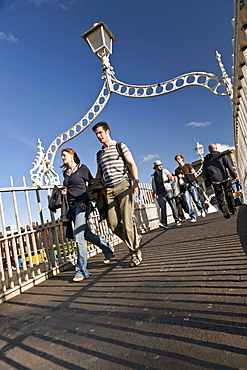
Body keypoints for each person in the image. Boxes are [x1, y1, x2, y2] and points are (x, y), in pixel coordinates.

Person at [92, 121, 142, 267]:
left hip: (124, 185)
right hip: (108, 190)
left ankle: (135, 253)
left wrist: (136, 182)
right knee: (113, 224)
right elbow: (99, 173)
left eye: (100, 132)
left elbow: (131, 163)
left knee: (127, 223)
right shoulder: (99, 154)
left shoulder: (120, 146)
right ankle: (135, 238)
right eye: (96, 134)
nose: (98, 136)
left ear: (108, 131)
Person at [61, 148, 114, 282]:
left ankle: (82, 271)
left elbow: (91, 185)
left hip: (82, 204)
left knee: (78, 236)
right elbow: (71, 187)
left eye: (64, 155)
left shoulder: (82, 168)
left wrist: (86, 201)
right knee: (87, 234)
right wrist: (64, 191)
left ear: (72, 155)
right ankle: (107, 248)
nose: (62, 158)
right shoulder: (65, 173)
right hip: (71, 207)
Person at [202, 144, 238, 218]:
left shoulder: (206, 159)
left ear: (209, 150)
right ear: (216, 148)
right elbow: (229, 166)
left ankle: (224, 209)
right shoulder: (221, 155)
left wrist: (207, 182)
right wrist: (234, 175)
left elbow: (204, 172)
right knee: (228, 193)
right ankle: (232, 209)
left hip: (215, 180)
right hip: (224, 177)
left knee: (219, 195)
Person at [174, 153, 206, 222]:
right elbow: (177, 182)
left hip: (191, 185)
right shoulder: (177, 170)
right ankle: (192, 216)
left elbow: (194, 173)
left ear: (182, 159)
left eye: (179, 159)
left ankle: (201, 209)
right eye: (177, 160)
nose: (178, 160)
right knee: (188, 202)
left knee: (196, 200)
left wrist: (192, 175)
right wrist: (179, 190)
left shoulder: (188, 165)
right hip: (184, 187)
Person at [151, 160, 181, 228]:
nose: (160, 166)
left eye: (161, 164)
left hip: (168, 190)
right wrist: (154, 192)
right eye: (159, 165)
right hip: (160, 193)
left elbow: (171, 178)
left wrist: (171, 178)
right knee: (163, 208)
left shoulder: (165, 171)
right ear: (155, 167)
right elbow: (153, 185)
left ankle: (177, 220)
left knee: (173, 205)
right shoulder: (153, 176)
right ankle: (164, 223)